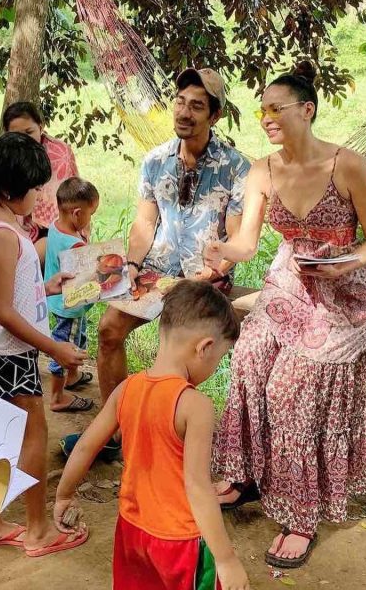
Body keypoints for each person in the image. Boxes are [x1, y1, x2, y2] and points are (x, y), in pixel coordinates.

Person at [204, 61, 366, 568]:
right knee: (248, 358)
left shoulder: (348, 166)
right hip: (290, 279)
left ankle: (300, 513)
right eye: (261, 109)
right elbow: (247, 243)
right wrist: (223, 250)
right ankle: (244, 476)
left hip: (342, 291)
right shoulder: (261, 170)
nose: (266, 117)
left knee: (291, 388)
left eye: (276, 108)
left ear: (306, 110)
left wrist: (343, 264)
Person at [61, 67, 251, 461]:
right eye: (180, 102)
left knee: (184, 356)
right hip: (156, 274)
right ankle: (117, 430)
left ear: (214, 116)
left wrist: (214, 270)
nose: (184, 112)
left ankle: (174, 436)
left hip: (203, 280)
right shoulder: (155, 161)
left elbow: (234, 236)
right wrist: (130, 264)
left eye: (197, 106)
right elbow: (145, 223)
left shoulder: (236, 169)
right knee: (109, 330)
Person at [54, 280, 250, 590]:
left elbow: (84, 448)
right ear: (204, 348)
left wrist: (64, 496)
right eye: (220, 358)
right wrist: (226, 559)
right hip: (180, 541)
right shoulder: (195, 405)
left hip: (132, 531)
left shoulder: (125, 389)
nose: (215, 366)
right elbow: (198, 488)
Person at [0, 132, 89, 556]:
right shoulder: (2, 235)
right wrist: (53, 348)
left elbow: (12, 293)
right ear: (8, 190)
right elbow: (3, 309)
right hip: (9, 354)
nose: (40, 194)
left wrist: (48, 286)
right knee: (32, 437)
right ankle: (38, 530)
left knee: (3, 437)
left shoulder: (0, 228)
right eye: (35, 187)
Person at [45, 177, 100, 413]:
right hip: (70, 307)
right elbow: (92, 276)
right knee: (66, 349)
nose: (91, 219)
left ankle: (73, 377)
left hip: (57, 302)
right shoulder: (75, 245)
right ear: (77, 213)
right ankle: (57, 397)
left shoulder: (55, 227)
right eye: (91, 214)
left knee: (75, 341)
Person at [2, 101, 80, 259]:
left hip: (57, 228)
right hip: (16, 228)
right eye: (16, 135)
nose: (24, 140)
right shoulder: (3, 157)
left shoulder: (60, 153)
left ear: (41, 126)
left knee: (34, 255)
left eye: (29, 132)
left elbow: (71, 201)